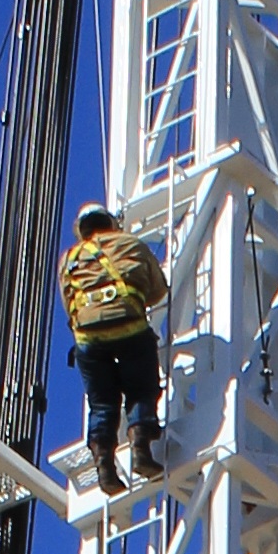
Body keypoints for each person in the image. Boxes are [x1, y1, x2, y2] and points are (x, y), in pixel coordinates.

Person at [58, 202, 168, 496]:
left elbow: (68, 302)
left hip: (88, 338)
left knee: (103, 403)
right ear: (110, 223)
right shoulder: (132, 244)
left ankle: (104, 466)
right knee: (142, 390)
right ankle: (141, 448)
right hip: (128, 326)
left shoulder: (69, 258)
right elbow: (158, 290)